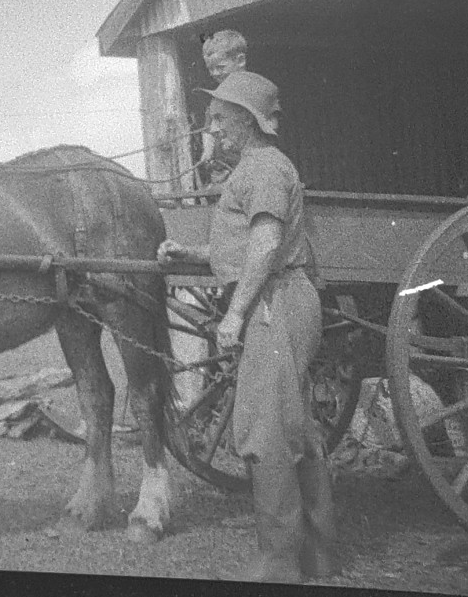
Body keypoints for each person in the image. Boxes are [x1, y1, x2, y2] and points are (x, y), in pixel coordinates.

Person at [158, 71, 338, 584]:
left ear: (247, 120)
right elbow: (244, 246)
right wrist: (192, 251)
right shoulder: (258, 169)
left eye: (219, 117)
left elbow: (266, 245)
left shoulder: (263, 168)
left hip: (274, 304)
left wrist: (235, 313)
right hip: (277, 297)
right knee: (293, 425)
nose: (212, 127)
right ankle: (318, 555)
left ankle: (278, 563)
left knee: (266, 430)